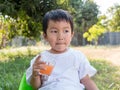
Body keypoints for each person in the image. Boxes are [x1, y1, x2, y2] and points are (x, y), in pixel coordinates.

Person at [26, 9, 99, 90]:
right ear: (45, 36)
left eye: (66, 31)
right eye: (54, 31)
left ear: (71, 34)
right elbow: (36, 87)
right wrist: (35, 75)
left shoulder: (77, 57)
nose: (60, 37)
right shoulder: (41, 59)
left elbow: (86, 80)